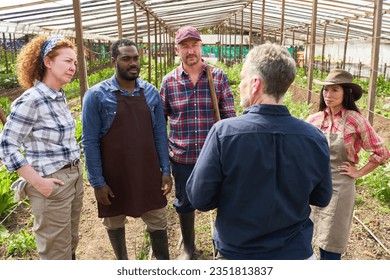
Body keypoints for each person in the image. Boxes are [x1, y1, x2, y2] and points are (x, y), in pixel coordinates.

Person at [186, 43, 333, 260]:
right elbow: (322, 197)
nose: (240, 86)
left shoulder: (224, 133)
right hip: (296, 255)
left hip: (239, 254)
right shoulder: (314, 137)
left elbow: (200, 198)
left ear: (255, 84)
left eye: (243, 78)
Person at [82, 39, 172, 260]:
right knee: (114, 221)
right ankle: (123, 264)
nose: (133, 63)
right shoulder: (96, 96)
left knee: (158, 219)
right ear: (114, 61)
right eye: (126, 59)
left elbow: (160, 133)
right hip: (114, 175)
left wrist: (165, 170)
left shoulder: (150, 92)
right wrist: (98, 182)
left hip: (147, 171)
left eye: (135, 58)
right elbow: (90, 141)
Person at [0, 35, 83, 260]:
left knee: (70, 242)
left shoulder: (58, 96)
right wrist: (38, 182)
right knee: (56, 252)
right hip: (52, 183)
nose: (73, 67)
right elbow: (7, 146)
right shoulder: (31, 100)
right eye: (67, 61)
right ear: (48, 61)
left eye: (75, 62)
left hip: (73, 177)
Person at [159, 26, 236, 259]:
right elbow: (160, 123)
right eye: (185, 46)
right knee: (183, 203)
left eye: (194, 45)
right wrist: (163, 163)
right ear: (177, 50)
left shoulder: (217, 76)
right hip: (182, 157)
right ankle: (188, 248)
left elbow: (230, 118)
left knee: (224, 199)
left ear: (201, 47)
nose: (190, 50)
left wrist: (231, 153)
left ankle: (222, 245)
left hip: (213, 156)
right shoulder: (169, 82)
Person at [307, 68, 390, 260]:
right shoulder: (314, 119)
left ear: (347, 93)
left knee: (330, 244)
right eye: (326, 90)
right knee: (306, 238)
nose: (328, 94)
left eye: (335, 90)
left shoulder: (355, 120)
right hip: (312, 185)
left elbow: (381, 152)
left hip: (340, 185)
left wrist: (359, 172)